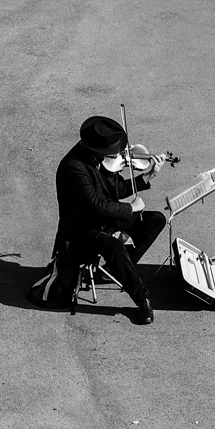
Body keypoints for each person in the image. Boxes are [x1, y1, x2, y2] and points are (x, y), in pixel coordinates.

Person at [48, 116, 168, 324]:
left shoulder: (101, 159)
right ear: (96, 149)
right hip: (80, 234)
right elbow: (96, 204)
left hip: (102, 221)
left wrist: (148, 176)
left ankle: (114, 269)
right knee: (110, 244)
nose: (117, 155)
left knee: (155, 220)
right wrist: (130, 207)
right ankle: (142, 297)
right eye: (112, 150)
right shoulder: (74, 168)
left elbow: (117, 189)